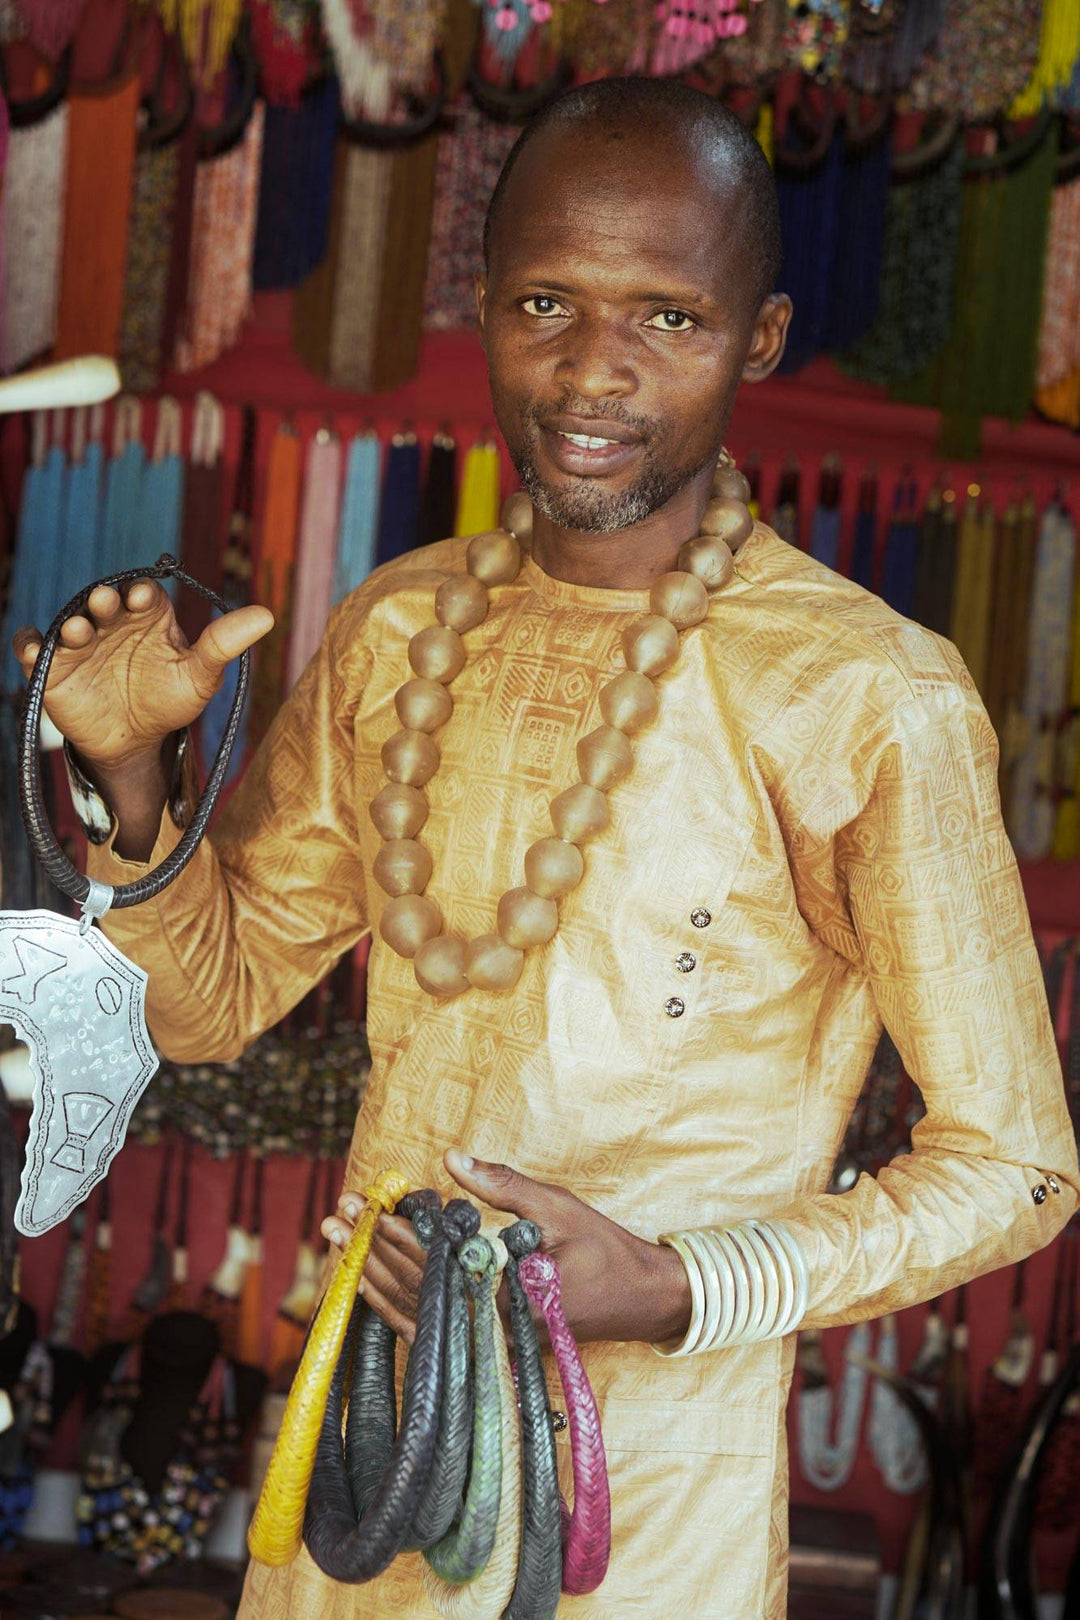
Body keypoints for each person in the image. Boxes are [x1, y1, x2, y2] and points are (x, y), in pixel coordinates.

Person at [14, 77, 1078, 1620]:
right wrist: (130, 779)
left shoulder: (865, 690)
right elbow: (211, 1002)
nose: (594, 372)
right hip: (367, 1457)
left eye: (670, 319)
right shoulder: (402, 626)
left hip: (644, 1509)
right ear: (483, 304)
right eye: (547, 302)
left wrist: (681, 1287)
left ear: (762, 338)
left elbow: (1021, 1170)